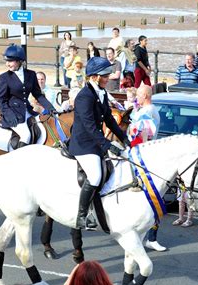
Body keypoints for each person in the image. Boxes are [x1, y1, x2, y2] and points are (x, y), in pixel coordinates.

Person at [68, 56, 130, 229]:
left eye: (108, 74)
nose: (108, 77)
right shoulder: (84, 96)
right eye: (105, 75)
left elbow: (109, 119)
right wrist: (107, 145)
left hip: (95, 141)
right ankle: (81, 216)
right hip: (83, 144)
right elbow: (89, 126)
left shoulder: (100, 93)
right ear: (94, 77)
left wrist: (124, 138)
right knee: (95, 175)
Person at [128, 86, 166, 251]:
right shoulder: (147, 110)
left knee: (152, 198)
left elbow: (141, 136)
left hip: (142, 158)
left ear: (145, 95)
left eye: (138, 95)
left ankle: (150, 236)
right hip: (144, 155)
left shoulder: (147, 112)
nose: (136, 97)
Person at [0, 44, 56, 148]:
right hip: (12, 113)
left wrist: (51, 108)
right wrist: (9, 115)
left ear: (19, 61)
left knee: (44, 127)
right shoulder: (4, 77)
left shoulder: (31, 74)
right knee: (26, 135)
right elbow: (0, 100)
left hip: (28, 111)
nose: (7, 64)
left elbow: (38, 95)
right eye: (6, 61)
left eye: (10, 61)